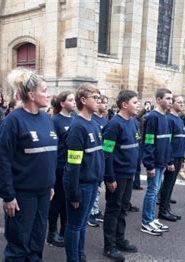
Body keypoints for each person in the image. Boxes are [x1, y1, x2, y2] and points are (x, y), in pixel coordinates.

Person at [0, 68, 57, 261]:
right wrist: (8, 196)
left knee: (37, 244)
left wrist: (50, 184)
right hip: (22, 196)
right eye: (44, 90)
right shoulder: (13, 121)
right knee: (19, 247)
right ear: (31, 94)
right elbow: (1, 161)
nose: (48, 94)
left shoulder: (46, 118)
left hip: (44, 193)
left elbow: (48, 156)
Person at [63, 83, 104, 262]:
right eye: (94, 97)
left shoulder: (94, 125)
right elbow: (73, 165)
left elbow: (99, 156)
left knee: (82, 226)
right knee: (74, 226)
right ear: (83, 100)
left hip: (93, 183)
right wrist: (74, 193)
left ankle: (80, 255)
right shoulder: (78, 127)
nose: (98, 101)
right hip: (81, 185)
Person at [102, 90, 140, 261]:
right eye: (135, 102)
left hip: (129, 173)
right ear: (124, 105)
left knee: (123, 208)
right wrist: (109, 177)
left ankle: (120, 239)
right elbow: (107, 153)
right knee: (113, 209)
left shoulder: (133, 122)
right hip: (118, 175)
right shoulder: (113, 125)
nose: (138, 104)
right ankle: (109, 246)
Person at [140, 88, 172, 235]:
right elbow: (148, 142)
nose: (170, 101)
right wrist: (149, 164)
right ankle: (146, 221)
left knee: (156, 189)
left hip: (162, 161)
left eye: (171, 99)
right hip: (155, 162)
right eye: (167, 98)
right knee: (152, 191)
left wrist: (168, 160)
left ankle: (152, 218)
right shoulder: (152, 117)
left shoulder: (164, 116)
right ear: (158, 100)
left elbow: (167, 141)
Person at [47, 91, 76, 248]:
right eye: (70, 100)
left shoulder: (74, 120)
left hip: (71, 167)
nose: (74, 102)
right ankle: (51, 233)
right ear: (62, 103)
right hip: (59, 166)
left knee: (67, 202)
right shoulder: (55, 121)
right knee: (56, 202)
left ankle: (64, 231)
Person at [158, 95, 185, 222]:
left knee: (171, 184)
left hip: (179, 155)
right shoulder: (169, 119)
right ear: (173, 104)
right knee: (167, 184)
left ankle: (167, 207)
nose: (182, 104)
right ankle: (163, 210)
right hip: (173, 156)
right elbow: (168, 141)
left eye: (183, 102)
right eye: (179, 102)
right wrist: (169, 160)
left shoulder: (179, 119)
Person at [88, 94, 109, 227]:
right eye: (102, 102)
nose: (104, 105)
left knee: (98, 187)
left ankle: (95, 210)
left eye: (106, 102)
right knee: (94, 188)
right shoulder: (93, 119)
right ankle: (91, 213)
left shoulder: (105, 120)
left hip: (102, 156)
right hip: (93, 158)